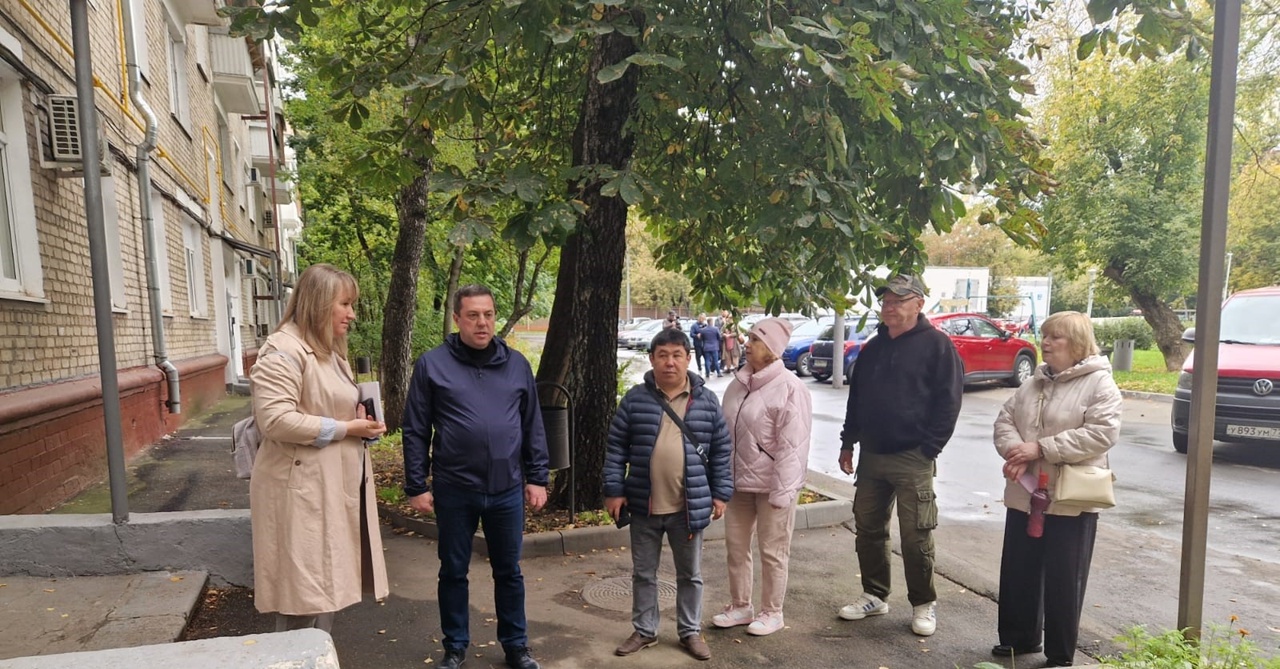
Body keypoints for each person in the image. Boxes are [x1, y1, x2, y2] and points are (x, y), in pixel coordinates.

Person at [402, 284, 550, 669]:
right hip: (454, 489)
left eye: (488, 314)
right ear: (457, 319)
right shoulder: (432, 365)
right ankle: (455, 646)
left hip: (506, 489)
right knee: (453, 570)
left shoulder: (516, 364)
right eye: (473, 315)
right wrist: (416, 484)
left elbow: (533, 424)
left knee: (509, 572)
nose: (482, 323)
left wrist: (537, 477)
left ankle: (516, 645)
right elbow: (416, 429)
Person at [248, 263, 389, 634]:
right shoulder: (284, 350)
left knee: (324, 590)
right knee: (302, 597)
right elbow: (275, 420)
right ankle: (294, 660)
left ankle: (316, 658)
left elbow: (326, 406)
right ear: (319, 302)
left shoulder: (327, 350)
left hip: (327, 489)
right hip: (301, 493)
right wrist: (346, 428)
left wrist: (364, 425)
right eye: (344, 303)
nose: (352, 314)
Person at [991, 311, 1122, 667]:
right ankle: (1019, 638)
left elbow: (1101, 434)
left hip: (1071, 498)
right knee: (1020, 567)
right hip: (1026, 491)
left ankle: (1060, 652)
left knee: (1065, 576)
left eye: (1055, 337)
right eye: (1045, 336)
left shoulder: (1099, 384)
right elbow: (1004, 420)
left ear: (1078, 343)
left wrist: (1041, 448)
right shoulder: (1033, 382)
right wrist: (1015, 450)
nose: (1045, 343)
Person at [837, 273, 963, 637]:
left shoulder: (938, 346)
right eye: (886, 301)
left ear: (919, 303)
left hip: (913, 457)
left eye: (899, 300)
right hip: (872, 456)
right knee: (869, 529)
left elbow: (948, 402)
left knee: (916, 535)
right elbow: (856, 400)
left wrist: (930, 448)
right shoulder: (873, 347)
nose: (890, 307)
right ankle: (874, 595)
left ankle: (923, 603)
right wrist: (848, 443)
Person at [604, 327, 733, 661]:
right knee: (643, 573)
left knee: (690, 575)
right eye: (663, 355)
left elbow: (720, 450)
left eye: (677, 355)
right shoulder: (635, 398)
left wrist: (720, 494)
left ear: (688, 359)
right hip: (643, 503)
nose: (670, 362)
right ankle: (645, 630)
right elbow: (616, 447)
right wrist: (614, 490)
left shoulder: (706, 400)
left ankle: (689, 631)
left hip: (687, 507)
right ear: (652, 359)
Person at [714, 318, 813, 636]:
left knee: (773, 551)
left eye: (755, 339)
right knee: (736, 546)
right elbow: (723, 434)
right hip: (738, 483)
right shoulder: (738, 384)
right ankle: (741, 606)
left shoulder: (790, 388)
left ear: (771, 350)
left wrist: (783, 491)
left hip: (773, 486)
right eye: (750, 337)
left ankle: (773, 612)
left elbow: (793, 446)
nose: (747, 343)